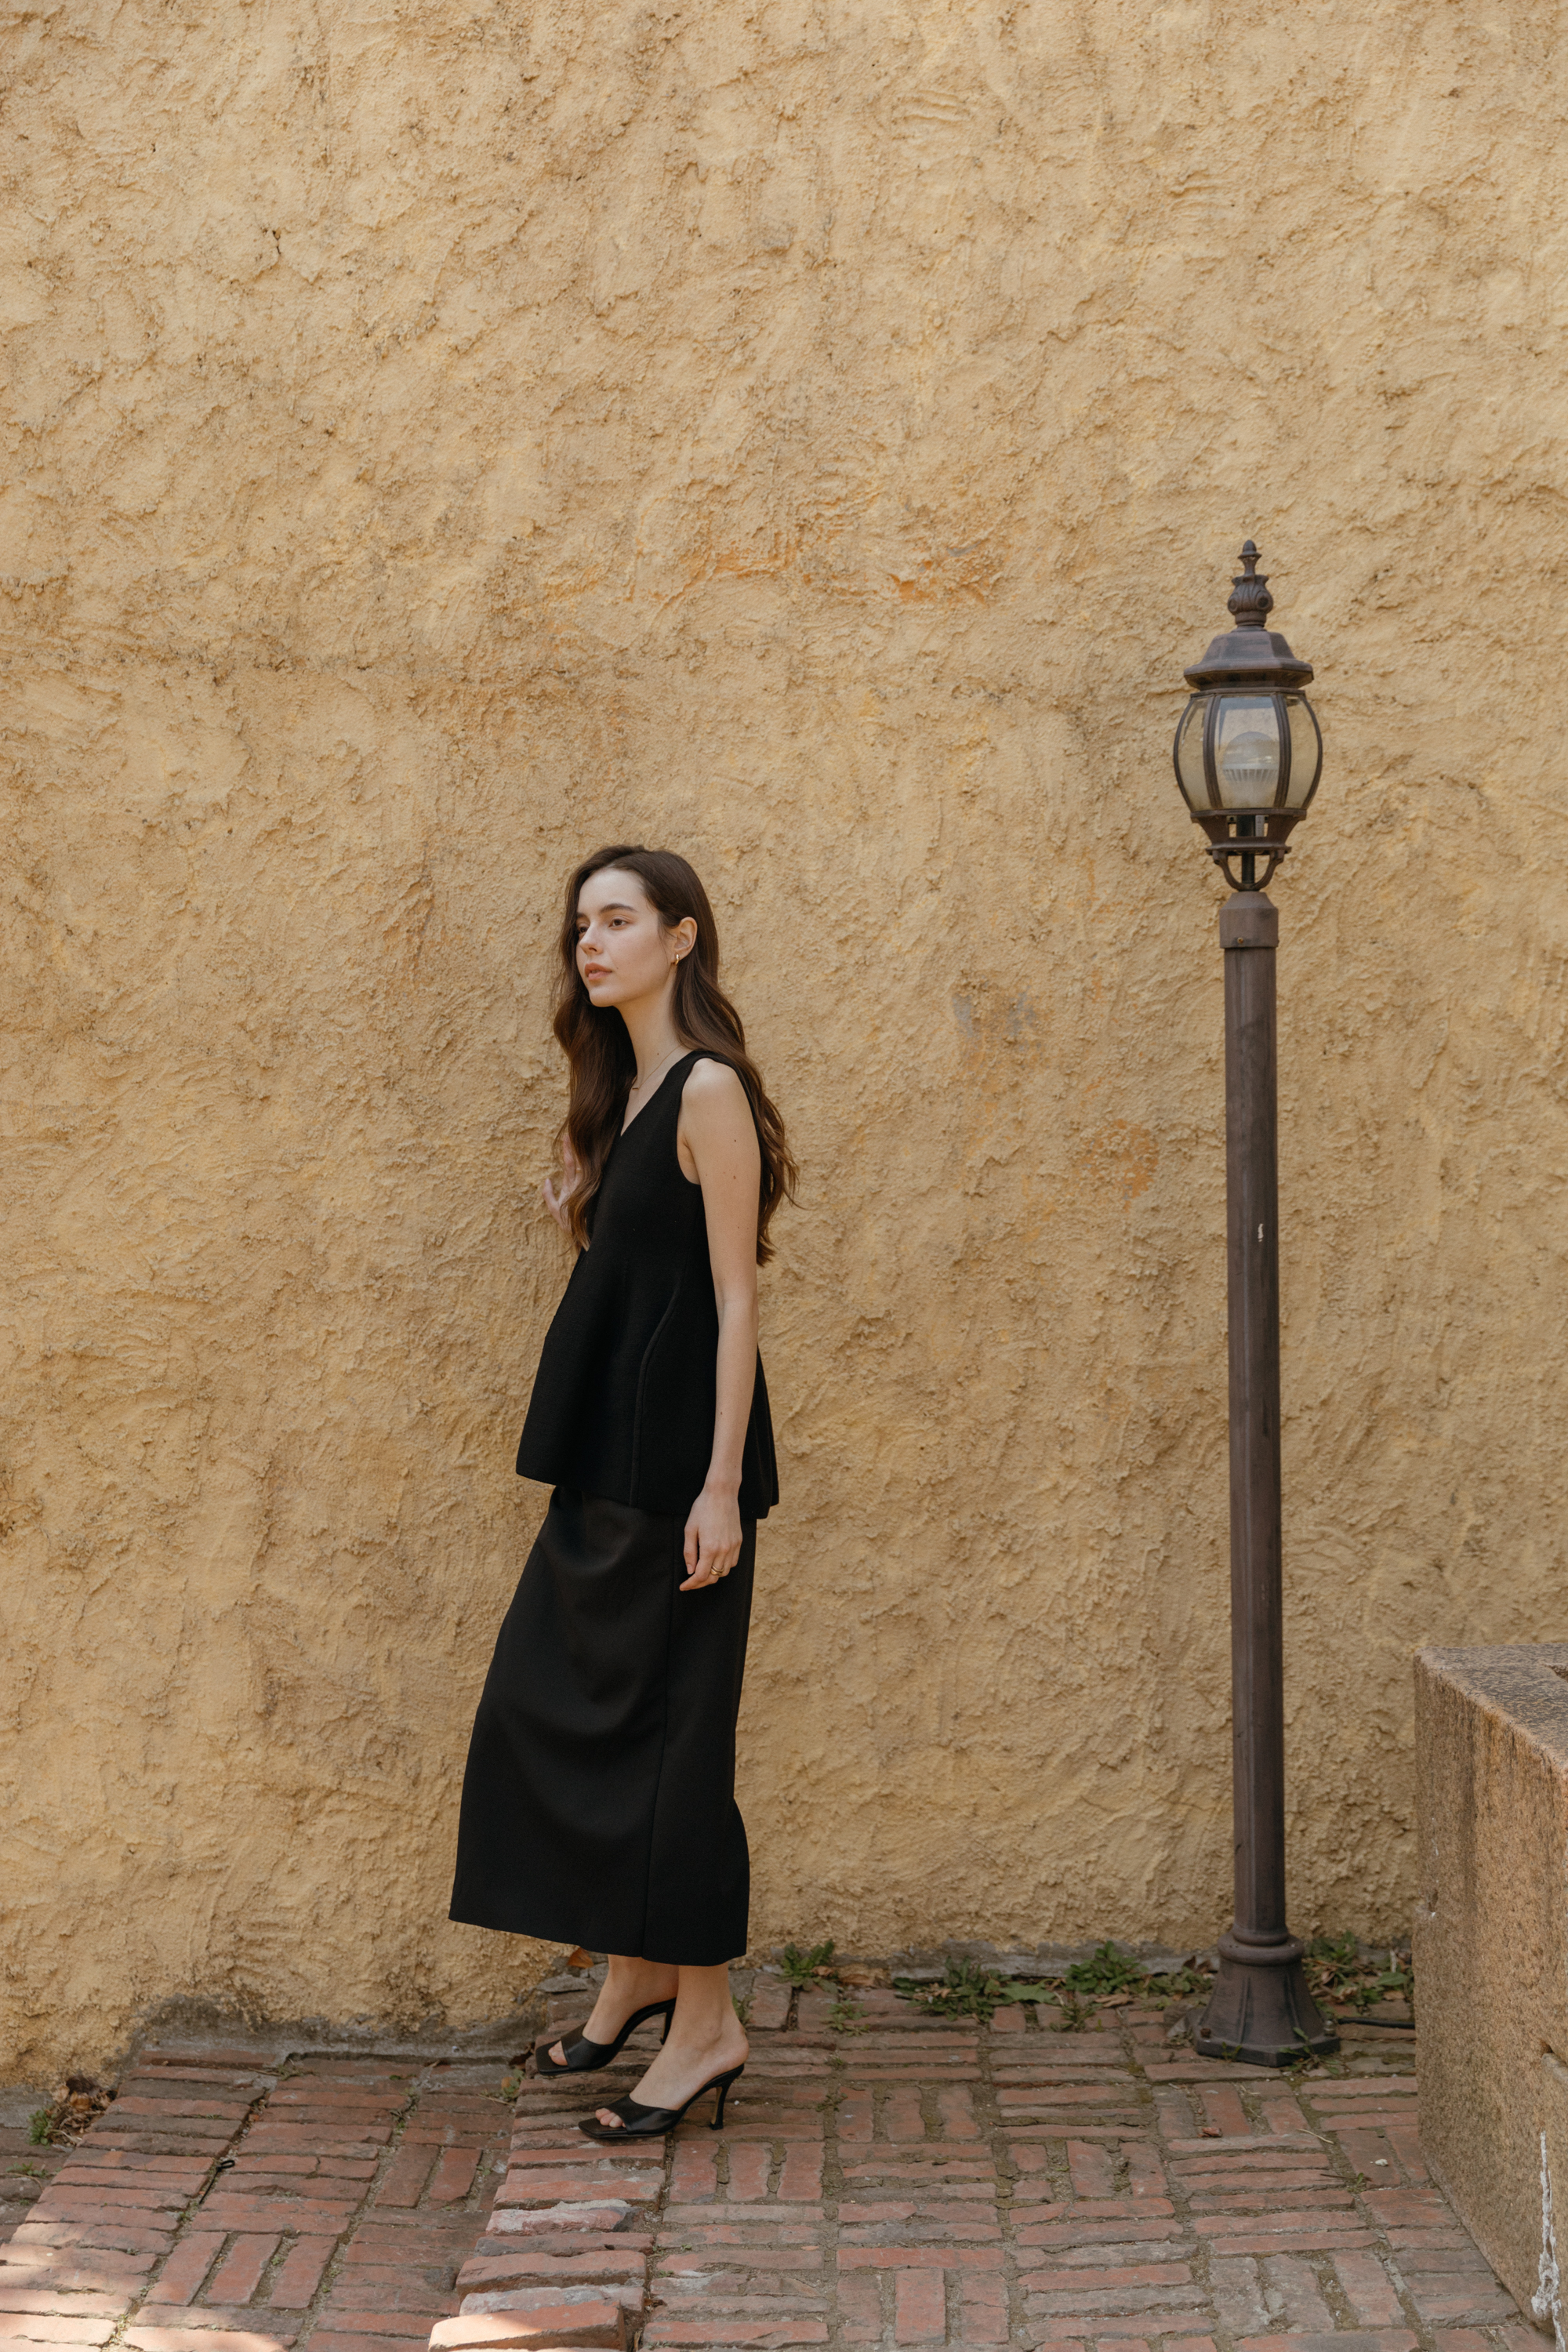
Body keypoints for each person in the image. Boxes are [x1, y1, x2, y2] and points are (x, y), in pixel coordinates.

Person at [448, 844, 795, 2140]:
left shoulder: (708, 1086)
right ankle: (640, 1973)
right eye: (580, 926)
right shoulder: (630, 1086)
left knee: (670, 1749)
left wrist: (720, 1488)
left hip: (678, 1476)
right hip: (610, 1458)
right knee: (552, 1713)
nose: (590, 944)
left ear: (681, 937)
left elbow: (736, 1297)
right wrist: (582, 1213)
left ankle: (705, 2027)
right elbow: (649, 1271)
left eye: (617, 920)